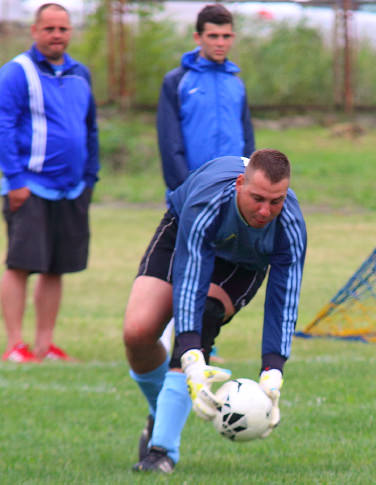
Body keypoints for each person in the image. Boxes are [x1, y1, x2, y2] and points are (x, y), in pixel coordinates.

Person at [123, 149, 307, 473]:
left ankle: (161, 451)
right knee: (138, 333)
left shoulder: (289, 226)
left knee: (205, 315)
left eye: (276, 201)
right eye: (258, 198)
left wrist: (273, 370)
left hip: (243, 264)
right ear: (240, 184)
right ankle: (165, 407)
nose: (266, 211)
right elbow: (190, 278)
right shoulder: (208, 203)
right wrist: (194, 359)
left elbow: (284, 299)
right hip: (186, 232)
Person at [0, 3, 99, 363]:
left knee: (56, 267)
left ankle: (45, 345)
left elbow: (90, 129)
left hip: (71, 189)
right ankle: (15, 346)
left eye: (63, 29)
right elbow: (2, 127)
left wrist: (89, 178)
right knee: (21, 264)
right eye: (49, 29)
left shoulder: (80, 73)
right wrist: (15, 179)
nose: (57, 35)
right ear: (34, 31)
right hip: (30, 186)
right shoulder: (16, 73)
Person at [156, 3, 256, 362]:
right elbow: (170, 144)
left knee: (216, 274)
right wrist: (186, 192)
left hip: (232, 200)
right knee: (184, 270)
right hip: (192, 198)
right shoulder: (177, 81)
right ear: (197, 37)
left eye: (226, 36)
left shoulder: (235, 83)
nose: (220, 42)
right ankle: (174, 341)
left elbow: (247, 144)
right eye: (213, 36)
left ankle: (201, 343)